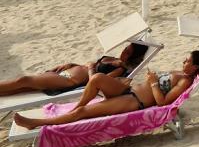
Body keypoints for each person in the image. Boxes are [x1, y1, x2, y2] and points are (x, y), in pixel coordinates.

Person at [13, 51, 199, 130]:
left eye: (188, 61)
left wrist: (152, 82)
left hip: (134, 102)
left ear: (195, 68)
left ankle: (37, 123)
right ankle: (78, 107)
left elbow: (162, 103)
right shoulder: (181, 73)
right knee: (98, 78)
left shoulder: (184, 82)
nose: (184, 61)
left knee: (83, 113)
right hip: (129, 90)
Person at [0, 42, 148, 97]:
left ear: (133, 57)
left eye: (128, 53)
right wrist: (72, 64)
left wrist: (90, 67)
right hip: (68, 71)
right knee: (23, 88)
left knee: (24, 80)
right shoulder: (114, 59)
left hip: (68, 80)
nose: (123, 53)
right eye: (125, 49)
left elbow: (96, 82)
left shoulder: (120, 70)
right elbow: (89, 67)